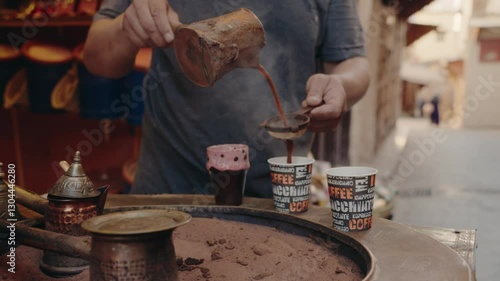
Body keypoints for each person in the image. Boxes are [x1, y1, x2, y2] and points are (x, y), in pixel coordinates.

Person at [83, 0, 370, 198]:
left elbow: (353, 62)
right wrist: (126, 28)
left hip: (279, 195)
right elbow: (97, 58)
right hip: (169, 190)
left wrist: (340, 85)